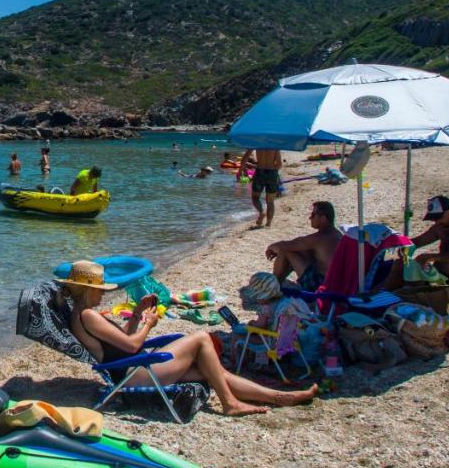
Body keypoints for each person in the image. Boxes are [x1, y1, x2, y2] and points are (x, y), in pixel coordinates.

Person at [63, 262, 317, 417]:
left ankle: (277, 397)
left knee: (211, 370)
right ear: (88, 289)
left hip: (133, 366)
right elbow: (131, 345)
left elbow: (124, 341)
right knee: (200, 339)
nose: (103, 294)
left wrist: (138, 314)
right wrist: (148, 325)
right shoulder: (88, 315)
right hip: (130, 373)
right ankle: (229, 403)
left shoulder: (83, 314)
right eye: (100, 289)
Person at [391, 195, 449, 289]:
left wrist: (432, 257)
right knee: (400, 264)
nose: (437, 222)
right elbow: (418, 241)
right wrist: (405, 248)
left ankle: (383, 293)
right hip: (440, 277)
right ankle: (384, 293)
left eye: (439, 217)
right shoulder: (441, 227)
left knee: (406, 275)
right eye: (434, 219)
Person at [264, 201, 342, 290]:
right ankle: (277, 283)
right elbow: (299, 245)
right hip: (336, 283)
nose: (310, 218)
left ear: (323, 218)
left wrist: (270, 248)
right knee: (299, 250)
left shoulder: (320, 238)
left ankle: (273, 286)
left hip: (321, 285)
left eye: (313, 215)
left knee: (286, 250)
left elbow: (285, 246)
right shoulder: (337, 234)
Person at [238, 148, 283, 228]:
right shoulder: (275, 145)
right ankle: (268, 223)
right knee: (270, 201)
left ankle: (261, 212)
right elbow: (279, 164)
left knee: (255, 198)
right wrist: (273, 172)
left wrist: (240, 171)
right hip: (271, 172)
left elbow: (245, 158)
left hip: (259, 172)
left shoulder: (257, 141)